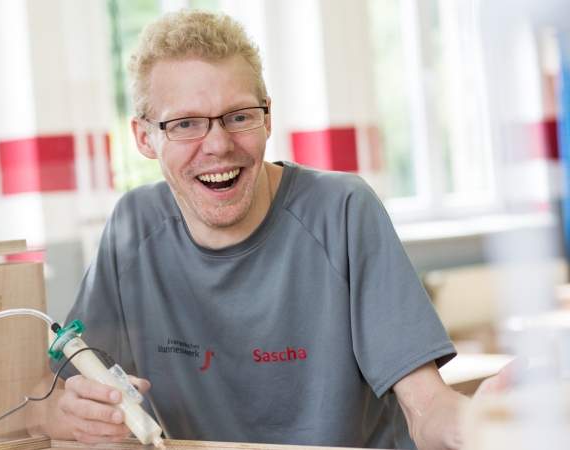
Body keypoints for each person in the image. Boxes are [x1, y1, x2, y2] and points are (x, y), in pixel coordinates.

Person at [39, 9, 487, 449]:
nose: (217, 145)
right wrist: (73, 414)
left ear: (267, 117)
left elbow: (426, 408)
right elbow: (51, 401)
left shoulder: (343, 210)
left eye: (238, 116)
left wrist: (479, 424)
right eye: (186, 124)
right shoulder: (132, 228)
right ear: (143, 137)